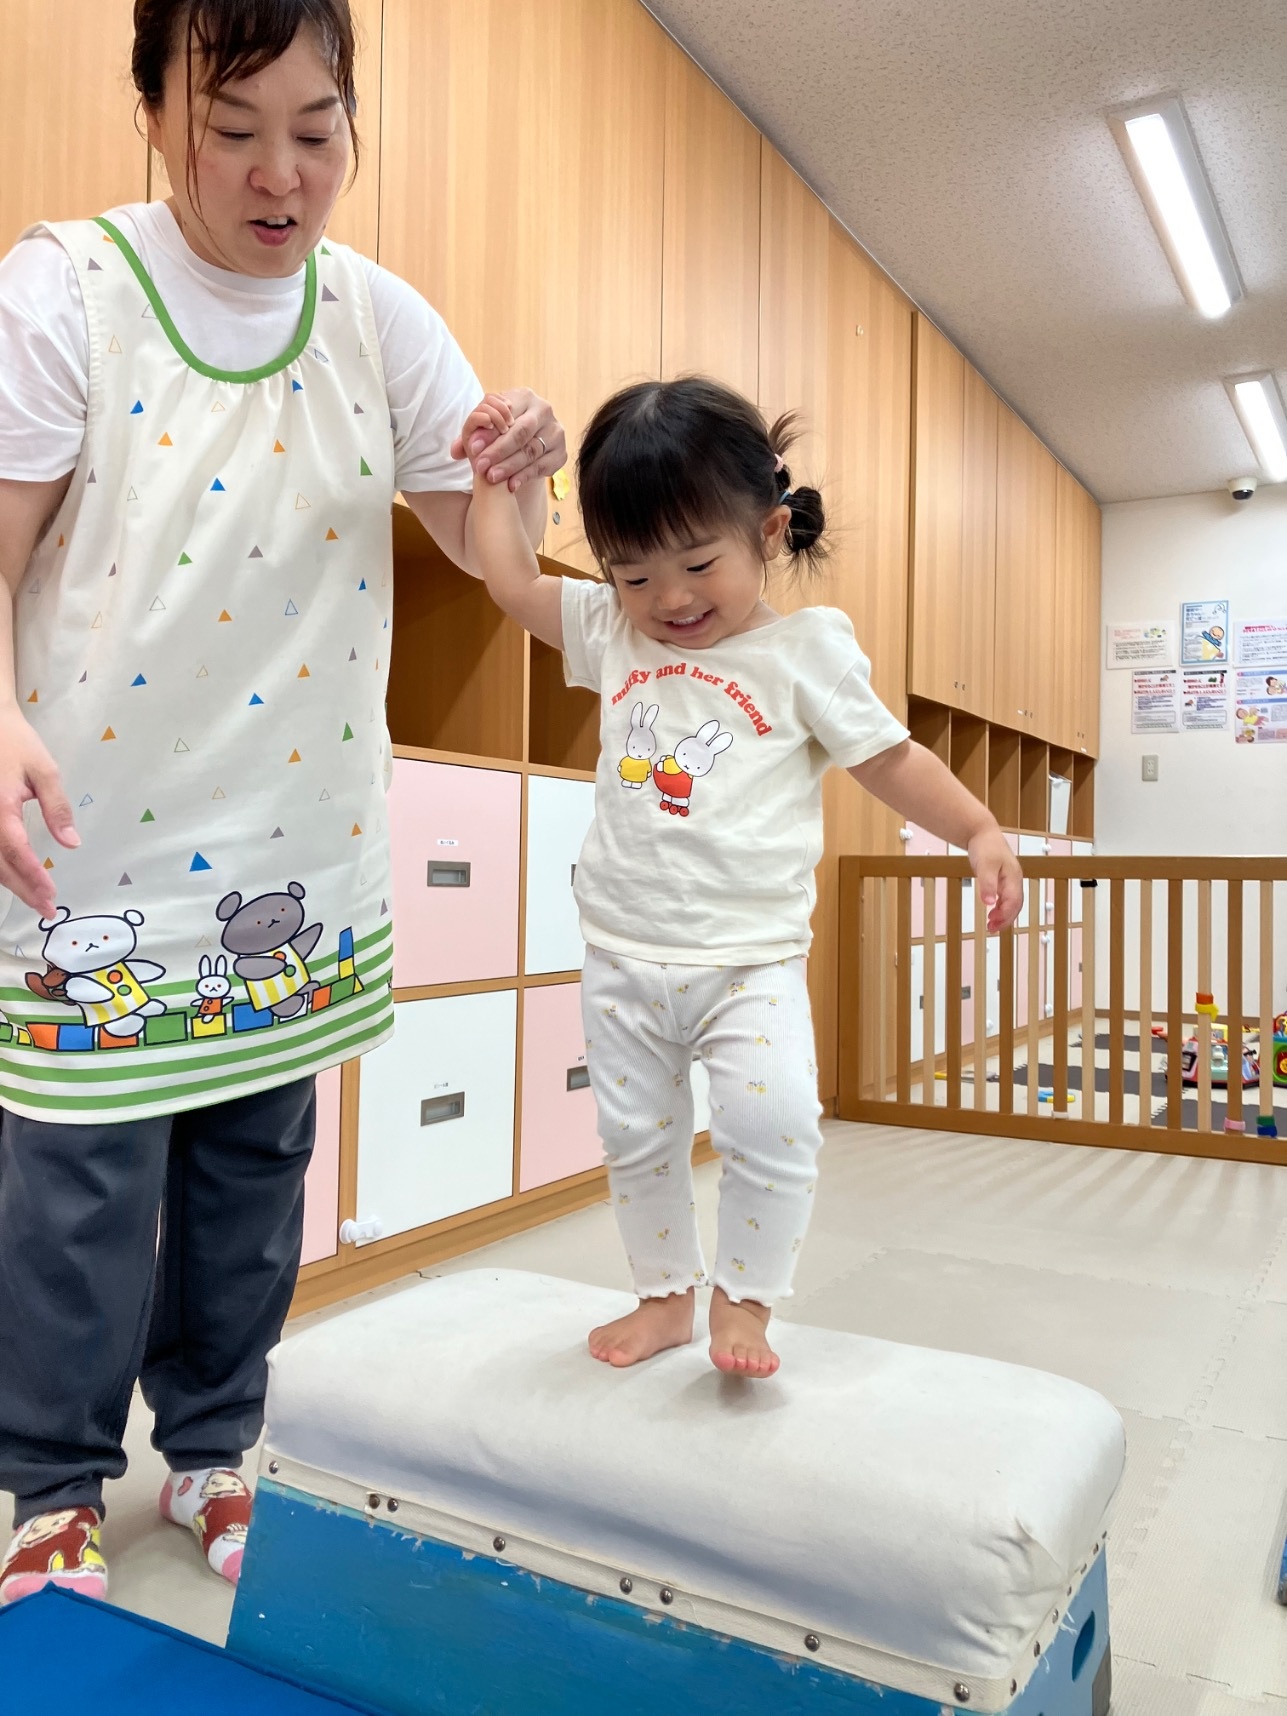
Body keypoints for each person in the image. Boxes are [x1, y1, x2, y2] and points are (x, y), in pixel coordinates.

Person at [0, 0, 564, 1606]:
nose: (278, 174)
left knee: (253, 1169)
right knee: (76, 1181)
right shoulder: (65, 290)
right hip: (94, 835)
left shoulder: (377, 320)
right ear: (154, 112)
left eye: (315, 133)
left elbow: (493, 561)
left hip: (291, 841)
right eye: (232, 128)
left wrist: (522, 466)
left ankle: (213, 1450)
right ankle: (52, 1484)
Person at [460, 377, 1023, 1380]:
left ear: (766, 531)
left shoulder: (806, 652)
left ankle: (746, 1300)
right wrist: (495, 480)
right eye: (633, 574)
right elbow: (507, 581)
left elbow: (888, 759)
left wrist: (976, 826)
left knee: (774, 1125)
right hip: (623, 952)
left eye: (697, 564)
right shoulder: (611, 631)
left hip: (748, 960)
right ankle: (664, 1297)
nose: (669, 600)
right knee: (637, 1139)